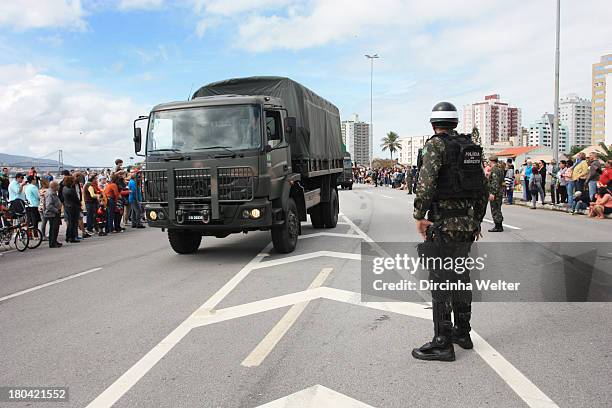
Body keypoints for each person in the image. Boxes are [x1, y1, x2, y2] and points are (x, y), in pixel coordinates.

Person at [412, 102, 487, 362]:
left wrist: (419, 216)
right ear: (455, 123)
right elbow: (482, 189)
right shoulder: (470, 148)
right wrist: (475, 221)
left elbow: (425, 185)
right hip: (466, 225)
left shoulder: (436, 145)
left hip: (443, 225)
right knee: (461, 277)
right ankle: (462, 333)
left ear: (433, 124)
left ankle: (442, 343)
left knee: (441, 282)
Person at [487, 156, 505, 232]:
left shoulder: (494, 170)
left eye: (489, 162)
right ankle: (499, 225)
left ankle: (498, 226)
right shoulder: (500, 169)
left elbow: (495, 182)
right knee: (498, 208)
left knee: (495, 209)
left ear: (491, 161)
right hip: (499, 191)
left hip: (496, 193)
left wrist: (492, 193)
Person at [62, 175, 81, 243]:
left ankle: (68, 236)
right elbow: (76, 199)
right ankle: (72, 237)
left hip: (67, 206)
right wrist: (80, 205)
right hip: (73, 207)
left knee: (70, 223)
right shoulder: (71, 190)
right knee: (73, 223)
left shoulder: (64, 188)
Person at [44, 181, 63, 248]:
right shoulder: (50, 194)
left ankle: (54, 241)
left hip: (55, 213)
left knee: (55, 228)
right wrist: (56, 210)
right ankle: (52, 243)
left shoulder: (53, 193)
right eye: (57, 185)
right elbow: (48, 205)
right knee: (53, 228)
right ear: (53, 186)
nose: (59, 187)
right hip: (52, 214)